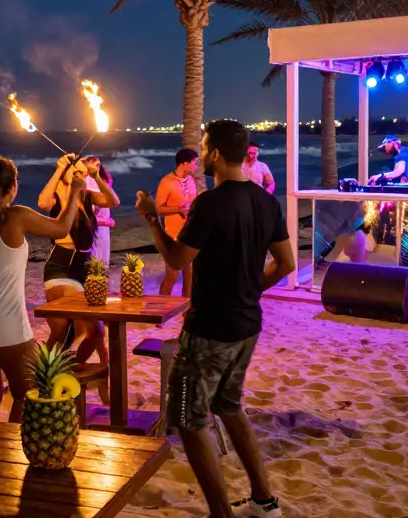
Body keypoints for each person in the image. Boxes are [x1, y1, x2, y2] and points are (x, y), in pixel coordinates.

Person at [135, 121, 295, 518]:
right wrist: (250, 289)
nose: (202, 154)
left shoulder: (209, 204)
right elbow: (286, 263)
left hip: (208, 330)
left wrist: (152, 218)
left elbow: (177, 259)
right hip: (247, 326)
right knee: (228, 404)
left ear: (217, 155)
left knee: (187, 416)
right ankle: (264, 502)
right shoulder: (266, 202)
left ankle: (221, 513)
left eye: (205, 148)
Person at [0, 157, 85, 423]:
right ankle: (10, 446)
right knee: (29, 393)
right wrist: (75, 191)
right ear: (13, 186)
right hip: (2, 322)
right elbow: (62, 228)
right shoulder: (15, 216)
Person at [36, 153, 121, 371]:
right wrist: (59, 169)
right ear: (67, 175)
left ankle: (74, 369)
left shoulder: (88, 197)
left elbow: (114, 201)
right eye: (77, 174)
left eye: (84, 175)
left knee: (92, 332)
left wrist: (97, 176)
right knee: (64, 330)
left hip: (83, 268)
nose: (82, 178)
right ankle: (46, 372)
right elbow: (42, 203)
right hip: (60, 267)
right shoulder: (57, 196)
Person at [156, 149, 199, 297]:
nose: (196, 166)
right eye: (194, 163)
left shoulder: (191, 180)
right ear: (184, 163)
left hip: (191, 234)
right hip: (174, 235)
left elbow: (194, 202)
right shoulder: (167, 182)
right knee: (172, 276)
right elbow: (158, 209)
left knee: (190, 275)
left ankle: (187, 307)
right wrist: (178, 209)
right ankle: (162, 306)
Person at [87, 157, 116, 268]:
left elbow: (109, 182)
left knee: (103, 263)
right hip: (95, 229)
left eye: (98, 164)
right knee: (96, 264)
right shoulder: (88, 182)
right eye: (94, 165)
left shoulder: (101, 180)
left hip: (104, 228)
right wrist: (105, 222)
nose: (97, 167)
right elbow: (87, 215)